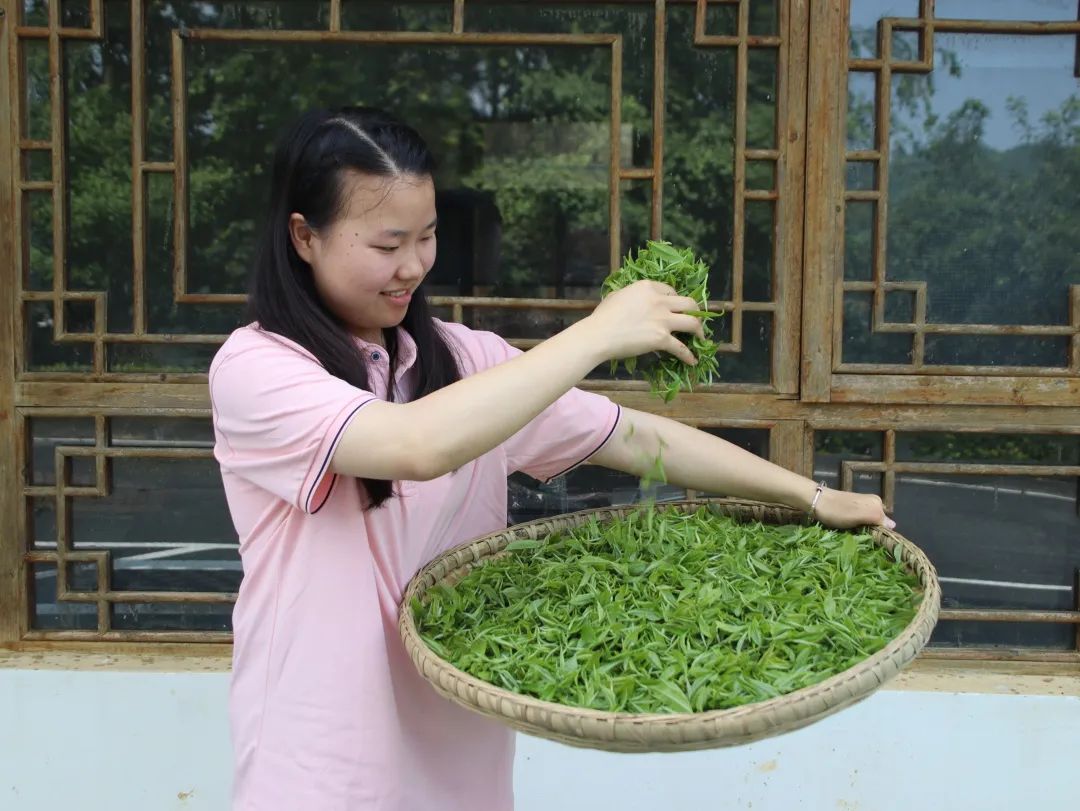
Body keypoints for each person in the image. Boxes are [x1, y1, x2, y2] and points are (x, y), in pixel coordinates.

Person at [209, 105, 894, 811]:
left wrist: (810, 496)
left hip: (462, 759)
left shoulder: (466, 360)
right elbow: (415, 444)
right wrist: (597, 334)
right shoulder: (256, 370)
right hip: (324, 765)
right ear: (305, 236)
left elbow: (636, 438)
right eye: (387, 244)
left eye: (428, 235)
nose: (412, 265)